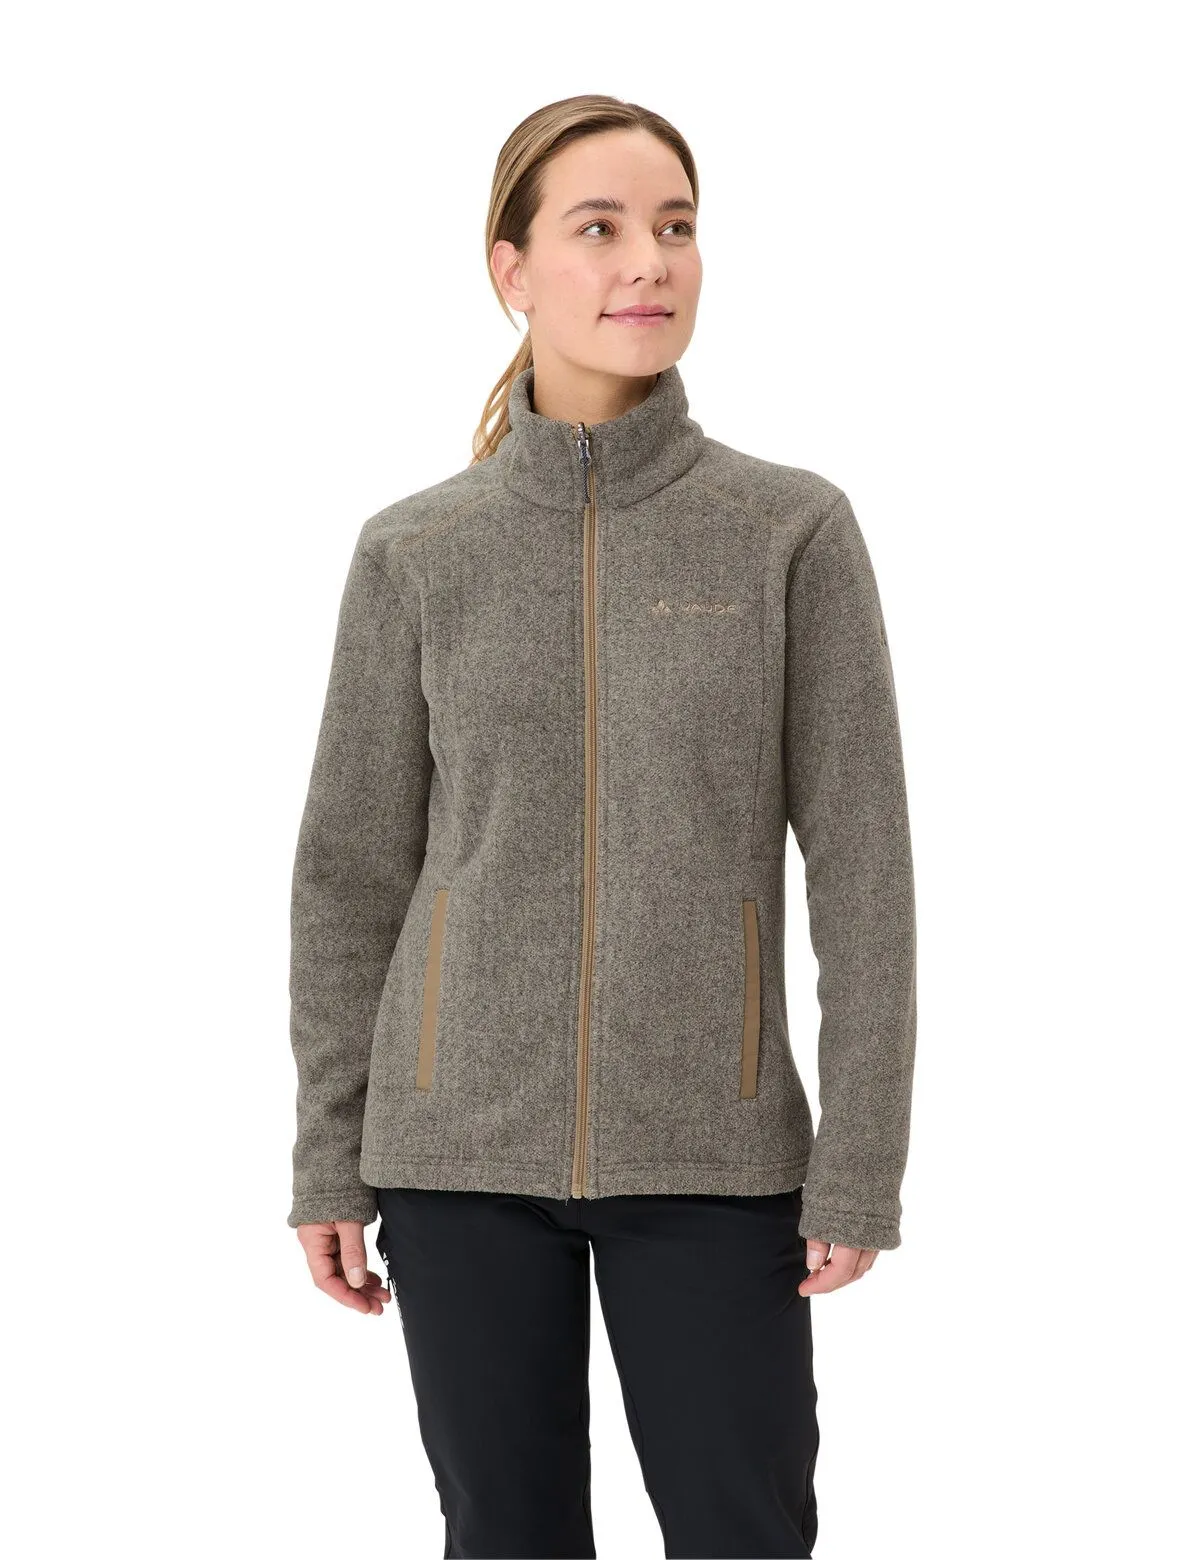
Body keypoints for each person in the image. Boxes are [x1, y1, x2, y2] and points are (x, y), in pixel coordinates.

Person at [286, 93, 917, 1560]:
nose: (650, 261)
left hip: (715, 1153)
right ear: (510, 270)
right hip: (454, 1155)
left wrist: (860, 1159)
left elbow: (866, 870)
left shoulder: (789, 531)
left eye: (676, 227)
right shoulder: (416, 551)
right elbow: (351, 874)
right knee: (504, 1536)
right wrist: (329, 1152)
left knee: (742, 1529)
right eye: (601, 227)